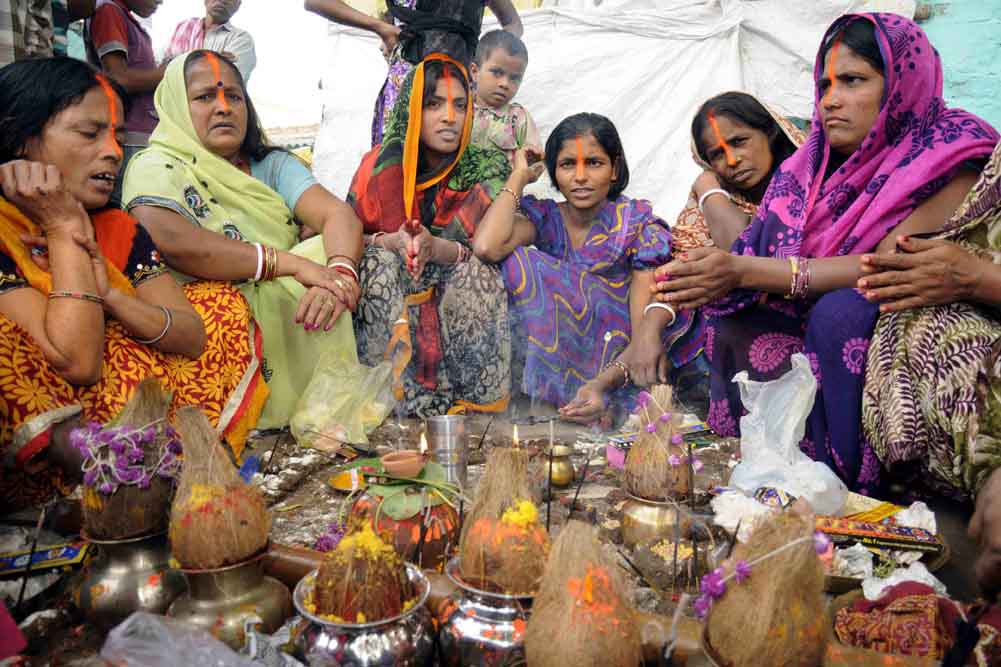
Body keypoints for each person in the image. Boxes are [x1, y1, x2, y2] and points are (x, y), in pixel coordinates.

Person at [653, 13, 998, 494]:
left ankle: (852, 487)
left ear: (902, 81)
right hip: (833, 288)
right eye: (824, 85)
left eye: (852, 81)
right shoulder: (810, 163)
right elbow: (757, 245)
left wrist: (742, 268)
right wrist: (725, 268)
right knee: (735, 323)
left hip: (911, 303)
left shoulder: (946, 151)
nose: (830, 100)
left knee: (841, 314)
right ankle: (768, 470)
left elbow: (883, 265)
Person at [0, 57, 265, 511]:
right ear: (24, 138)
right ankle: (113, 478)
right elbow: (77, 362)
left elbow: (192, 332)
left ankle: (151, 462)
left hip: (127, 411)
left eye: (118, 137)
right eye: (89, 134)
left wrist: (113, 298)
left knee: (218, 302)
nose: (113, 152)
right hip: (46, 446)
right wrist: (64, 227)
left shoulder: (118, 228)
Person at [123, 50, 364, 431]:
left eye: (234, 96)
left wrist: (338, 275)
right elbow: (170, 239)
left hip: (298, 305)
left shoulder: (271, 165)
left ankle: (325, 408)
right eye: (205, 97)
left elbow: (338, 215)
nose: (223, 108)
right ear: (174, 105)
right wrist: (289, 264)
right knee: (305, 257)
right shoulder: (155, 166)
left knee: (334, 249)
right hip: (214, 316)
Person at [474, 113, 705, 425]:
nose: (580, 176)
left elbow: (642, 338)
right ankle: (551, 400)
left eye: (594, 163)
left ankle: (593, 403)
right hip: (556, 371)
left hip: (621, 367)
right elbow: (487, 246)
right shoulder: (547, 219)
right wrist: (519, 177)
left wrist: (600, 385)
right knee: (518, 261)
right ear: (554, 171)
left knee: (533, 265)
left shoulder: (638, 228)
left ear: (615, 169)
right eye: (568, 164)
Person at [347, 54, 512, 417]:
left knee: (480, 274)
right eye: (433, 104)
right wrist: (386, 241)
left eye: (459, 105)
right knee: (375, 263)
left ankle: (476, 407)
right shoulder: (378, 166)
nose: (449, 117)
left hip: (452, 292)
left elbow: (497, 244)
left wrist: (440, 249)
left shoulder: (486, 165)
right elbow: (341, 241)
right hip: (393, 298)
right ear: (411, 110)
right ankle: (385, 404)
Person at [861, 140, 1001, 500]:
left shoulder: (952, 147)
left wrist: (978, 278)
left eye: (852, 80)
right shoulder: (802, 170)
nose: (832, 102)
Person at [304, 0, 523, 147]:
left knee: (455, 182)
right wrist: (380, 27)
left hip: (458, 94)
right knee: (398, 175)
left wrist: (488, 60)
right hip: (408, 91)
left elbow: (513, 23)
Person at [672, 91, 804, 254]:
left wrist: (707, 189)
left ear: (770, 132)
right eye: (717, 154)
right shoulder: (706, 206)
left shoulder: (814, 187)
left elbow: (745, 253)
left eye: (738, 142)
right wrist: (711, 192)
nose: (732, 160)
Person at [84, 0, 163, 204]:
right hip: (126, 137)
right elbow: (118, 78)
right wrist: (169, 72)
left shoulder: (125, 18)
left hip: (138, 137)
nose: (161, 2)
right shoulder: (110, 11)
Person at [469, 29, 539, 166]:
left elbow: (536, 163)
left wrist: (529, 164)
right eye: (497, 72)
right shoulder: (459, 109)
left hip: (506, 187)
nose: (505, 84)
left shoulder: (518, 118)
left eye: (514, 78)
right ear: (475, 72)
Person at [164, 0, 256, 83]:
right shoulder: (184, 27)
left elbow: (225, 81)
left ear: (238, 4)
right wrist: (210, 62)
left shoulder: (241, 39)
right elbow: (164, 68)